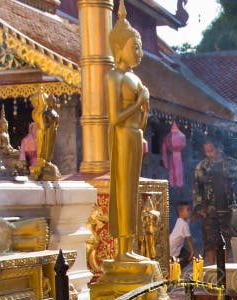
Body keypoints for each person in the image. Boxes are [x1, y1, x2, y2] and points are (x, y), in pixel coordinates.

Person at [106, 0, 150, 261]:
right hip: (122, 137)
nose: (139, 53)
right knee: (123, 190)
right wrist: (137, 103)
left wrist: (144, 107)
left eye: (140, 47)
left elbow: (140, 120)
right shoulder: (114, 77)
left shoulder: (135, 78)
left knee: (133, 192)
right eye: (135, 47)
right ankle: (122, 250)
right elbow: (114, 118)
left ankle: (130, 247)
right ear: (119, 49)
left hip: (135, 135)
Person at [193, 138, 237, 263]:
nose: (209, 153)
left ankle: (224, 268)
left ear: (219, 147)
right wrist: (199, 208)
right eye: (207, 151)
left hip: (228, 208)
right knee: (210, 241)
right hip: (209, 209)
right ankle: (212, 268)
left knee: (226, 240)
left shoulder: (232, 164)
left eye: (211, 150)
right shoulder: (201, 166)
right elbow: (196, 188)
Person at [169, 201, 195, 268]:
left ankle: (175, 269)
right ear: (181, 212)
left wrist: (198, 214)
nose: (190, 212)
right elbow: (189, 239)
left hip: (173, 245)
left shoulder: (180, 220)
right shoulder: (184, 224)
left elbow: (191, 220)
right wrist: (192, 251)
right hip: (173, 248)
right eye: (187, 210)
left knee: (186, 254)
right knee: (189, 256)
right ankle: (176, 270)